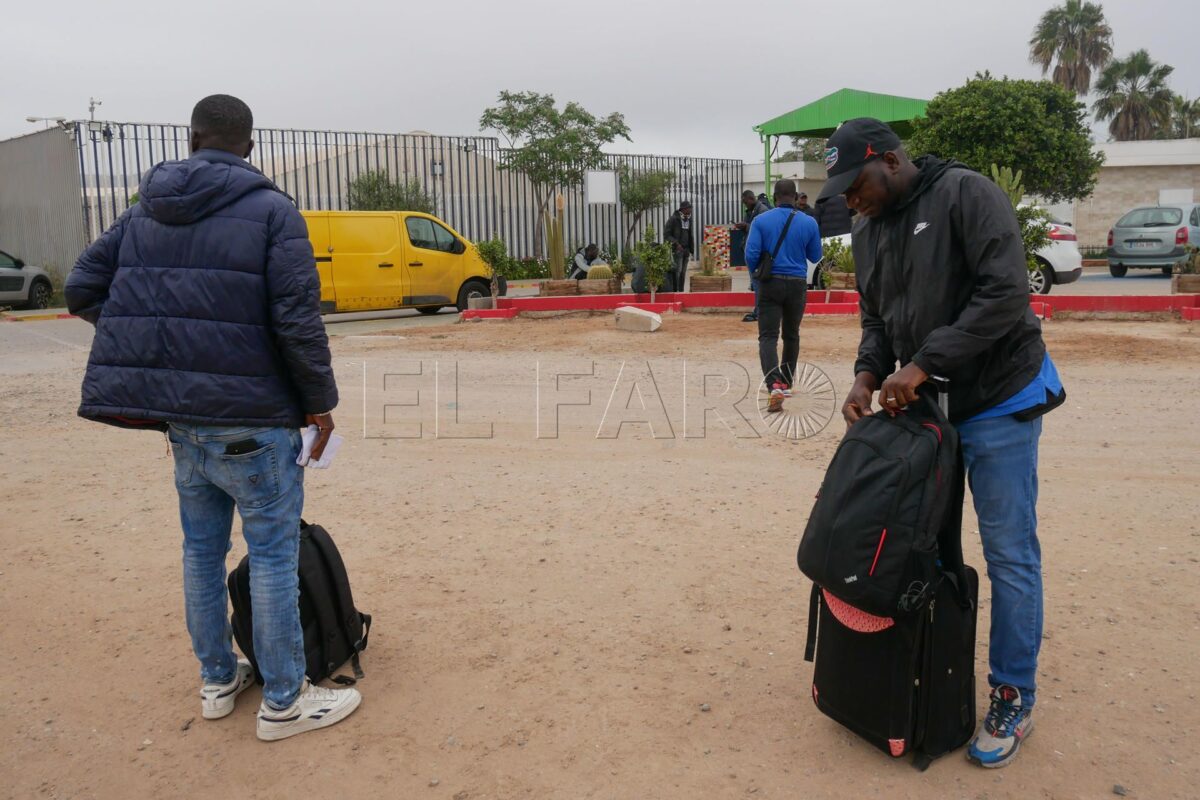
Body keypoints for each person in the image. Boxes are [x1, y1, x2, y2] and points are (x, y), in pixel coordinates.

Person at [64, 94, 362, 742]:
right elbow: (296, 321)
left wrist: (158, 349)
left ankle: (218, 679)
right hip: (255, 423)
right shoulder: (273, 213)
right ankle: (285, 700)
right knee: (273, 555)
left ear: (193, 138)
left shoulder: (145, 212)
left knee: (201, 553)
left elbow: (81, 288)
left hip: (182, 425)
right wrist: (319, 404)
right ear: (248, 147)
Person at [826, 117, 1065, 769]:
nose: (852, 201)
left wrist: (922, 363)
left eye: (857, 185)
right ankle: (929, 678)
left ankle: (1014, 694)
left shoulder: (967, 194)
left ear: (891, 160)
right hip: (929, 408)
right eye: (843, 193)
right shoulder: (871, 227)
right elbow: (877, 316)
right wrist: (868, 373)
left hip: (998, 395)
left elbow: (1005, 293)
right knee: (921, 545)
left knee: (1008, 548)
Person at [744, 179, 822, 413]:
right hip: (798, 284)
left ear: (775, 196)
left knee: (768, 337)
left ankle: (774, 385)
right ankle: (786, 383)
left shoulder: (760, 221)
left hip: (770, 284)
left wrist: (758, 276)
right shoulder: (809, 222)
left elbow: (751, 254)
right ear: (796, 196)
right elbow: (815, 255)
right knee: (791, 335)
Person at [734, 190, 771, 322]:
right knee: (756, 283)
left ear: (751, 198)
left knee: (758, 283)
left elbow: (764, 230)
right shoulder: (750, 211)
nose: (745, 205)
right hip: (751, 251)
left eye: (745, 202)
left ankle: (759, 311)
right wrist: (743, 226)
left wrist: (747, 226)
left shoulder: (763, 210)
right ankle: (759, 310)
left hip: (759, 253)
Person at [663, 200, 694, 292]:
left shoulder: (689, 219)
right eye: (689, 208)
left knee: (683, 273)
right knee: (678, 271)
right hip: (678, 249)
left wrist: (691, 249)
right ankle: (675, 291)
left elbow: (690, 234)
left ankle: (681, 292)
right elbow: (666, 235)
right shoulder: (673, 219)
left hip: (686, 250)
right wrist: (676, 243)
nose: (691, 210)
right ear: (683, 209)